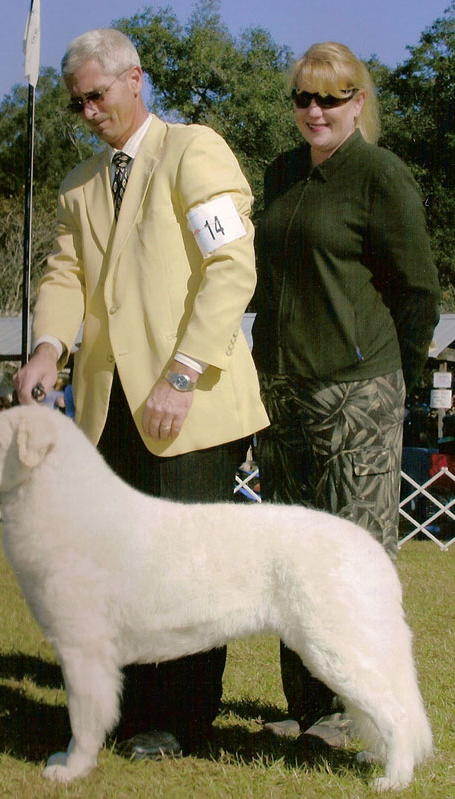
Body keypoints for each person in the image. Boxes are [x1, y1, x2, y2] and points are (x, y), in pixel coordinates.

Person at [13, 29, 269, 759]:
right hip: (108, 406)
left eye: (97, 95)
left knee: (187, 565)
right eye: (77, 102)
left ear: (137, 80)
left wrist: (183, 372)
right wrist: (48, 347)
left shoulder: (194, 150)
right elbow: (65, 277)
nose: (88, 111)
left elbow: (230, 268)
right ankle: (132, 707)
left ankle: (182, 717)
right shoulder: (78, 184)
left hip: (193, 397)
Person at [251, 42, 440, 747]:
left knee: (356, 557)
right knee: (294, 558)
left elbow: (418, 291)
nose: (315, 110)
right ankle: (310, 707)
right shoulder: (280, 175)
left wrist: (396, 379)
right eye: (303, 97)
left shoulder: (381, 175)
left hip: (359, 393)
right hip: (283, 393)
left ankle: (367, 709)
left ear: (359, 101)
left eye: (331, 97)